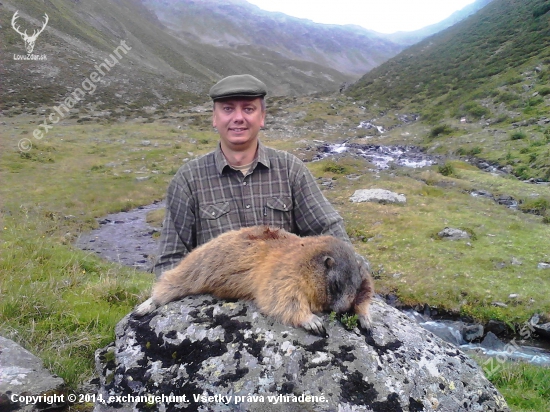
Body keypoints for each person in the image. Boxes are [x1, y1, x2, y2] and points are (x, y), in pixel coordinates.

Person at [152, 74, 359, 277]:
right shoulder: (188, 180)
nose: (238, 118)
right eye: (228, 109)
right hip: (213, 301)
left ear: (262, 117)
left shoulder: (290, 169)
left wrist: (353, 274)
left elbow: (330, 231)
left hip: (283, 297)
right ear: (215, 118)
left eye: (248, 109)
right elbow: (170, 261)